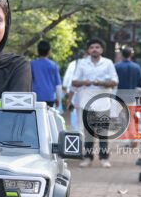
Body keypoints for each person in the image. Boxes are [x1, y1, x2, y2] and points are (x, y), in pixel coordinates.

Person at [71, 38, 118, 168]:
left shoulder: (108, 63)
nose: (94, 49)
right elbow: (74, 82)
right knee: (88, 132)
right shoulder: (82, 64)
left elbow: (115, 81)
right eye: (92, 47)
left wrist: (101, 83)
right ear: (88, 50)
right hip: (87, 102)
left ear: (101, 49)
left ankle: (104, 158)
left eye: (97, 47)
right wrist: (84, 82)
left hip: (103, 102)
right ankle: (87, 157)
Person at [30, 40, 61, 107]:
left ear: (38, 51)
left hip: (35, 97)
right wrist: (58, 99)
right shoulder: (53, 65)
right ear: (49, 51)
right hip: (49, 97)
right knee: (47, 116)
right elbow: (58, 85)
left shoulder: (32, 64)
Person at [62, 51, 85, 129]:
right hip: (84, 92)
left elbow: (66, 80)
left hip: (73, 92)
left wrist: (66, 91)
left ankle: (76, 130)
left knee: (75, 111)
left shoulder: (72, 64)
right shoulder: (88, 65)